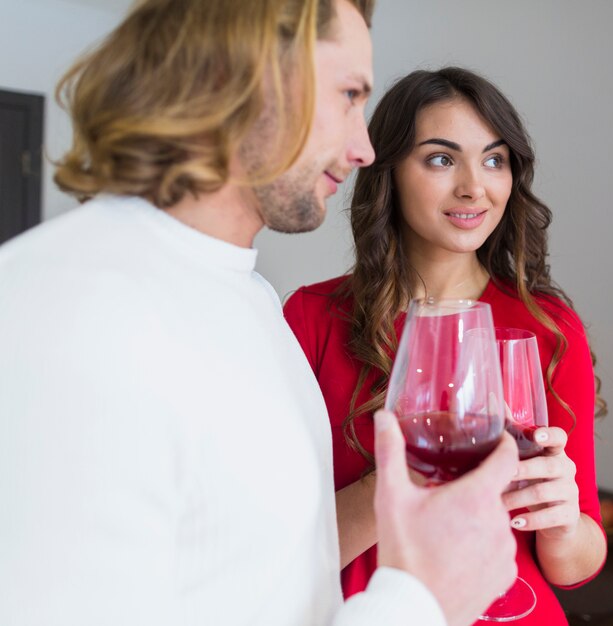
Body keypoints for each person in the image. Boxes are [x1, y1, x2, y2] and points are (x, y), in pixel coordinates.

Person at [0, 5, 520, 626]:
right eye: (348, 94)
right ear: (236, 78)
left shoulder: (250, 301)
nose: (363, 149)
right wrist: (420, 603)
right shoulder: (68, 312)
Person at [284, 67, 608, 625]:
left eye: (494, 159)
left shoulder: (549, 327)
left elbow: (576, 565)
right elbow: (278, 554)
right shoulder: (312, 318)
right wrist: (401, 476)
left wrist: (562, 522)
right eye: (440, 158)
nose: (473, 186)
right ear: (389, 172)